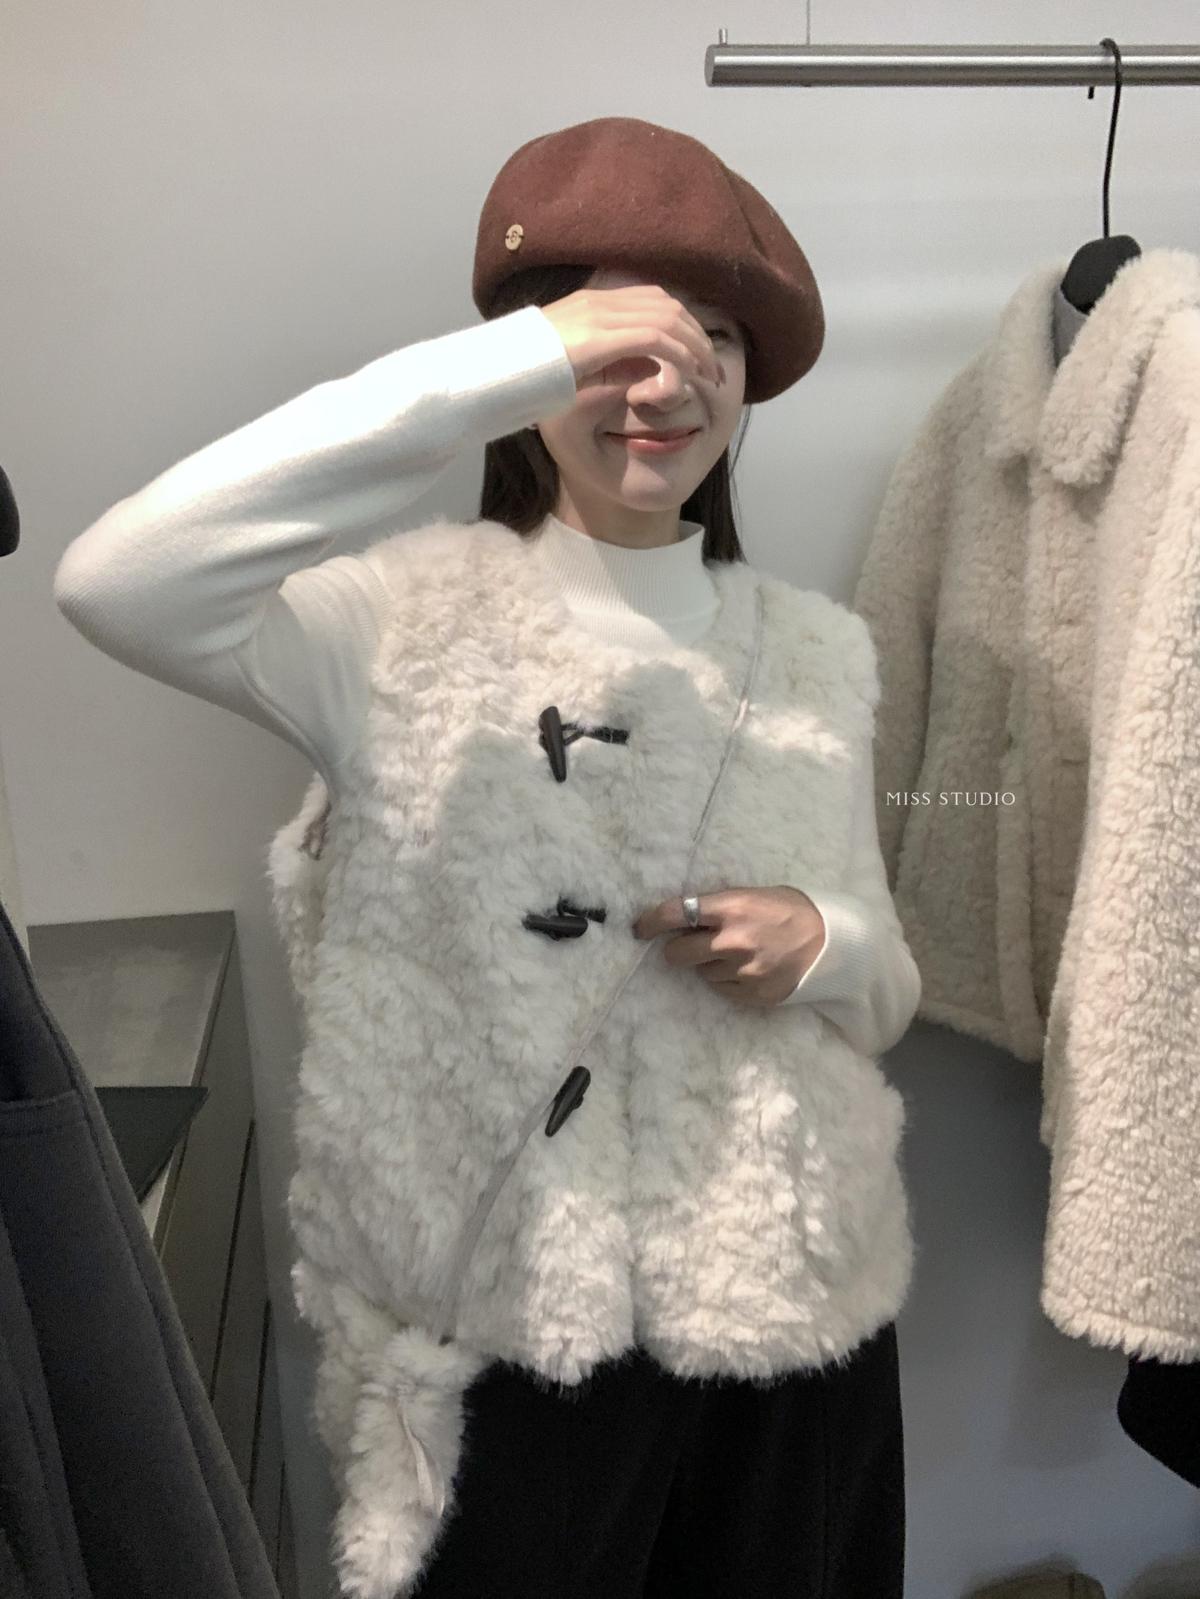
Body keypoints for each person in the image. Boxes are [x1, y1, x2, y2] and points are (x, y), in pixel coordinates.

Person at [54, 116, 921, 1599]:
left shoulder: (816, 656)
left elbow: (890, 989)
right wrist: (510, 362)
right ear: (533, 365)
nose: (666, 382)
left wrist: (822, 944)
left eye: (709, 340)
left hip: (791, 1320)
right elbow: (118, 579)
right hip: (513, 1336)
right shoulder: (388, 629)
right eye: (616, 343)